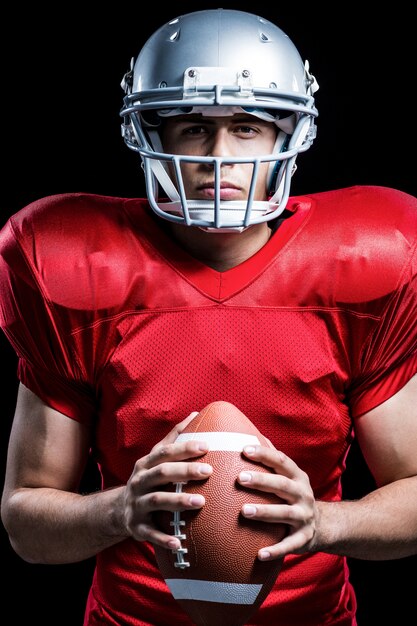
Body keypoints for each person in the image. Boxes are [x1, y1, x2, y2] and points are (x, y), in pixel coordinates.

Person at [1, 7, 417, 626]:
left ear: (288, 136)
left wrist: (326, 521)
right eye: (192, 126)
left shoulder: (364, 260)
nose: (218, 155)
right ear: (151, 134)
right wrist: (119, 511)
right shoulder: (75, 263)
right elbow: (27, 522)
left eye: (247, 126)